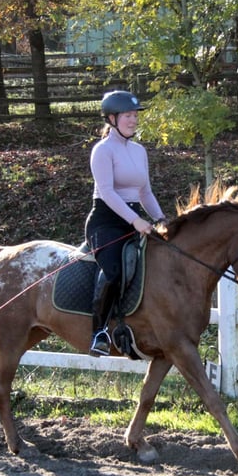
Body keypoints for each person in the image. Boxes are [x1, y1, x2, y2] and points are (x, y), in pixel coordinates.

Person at [84, 90, 168, 356]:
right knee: (113, 272)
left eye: (134, 115)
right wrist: (136, 221)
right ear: (112, 118)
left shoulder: (139, 150)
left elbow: (145, 193)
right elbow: (107, 192)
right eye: (127, 116)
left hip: (134, 219)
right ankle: (99, 333)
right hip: (106, 221)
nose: (133, 120)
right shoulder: (102, 150)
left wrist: (161, 220)